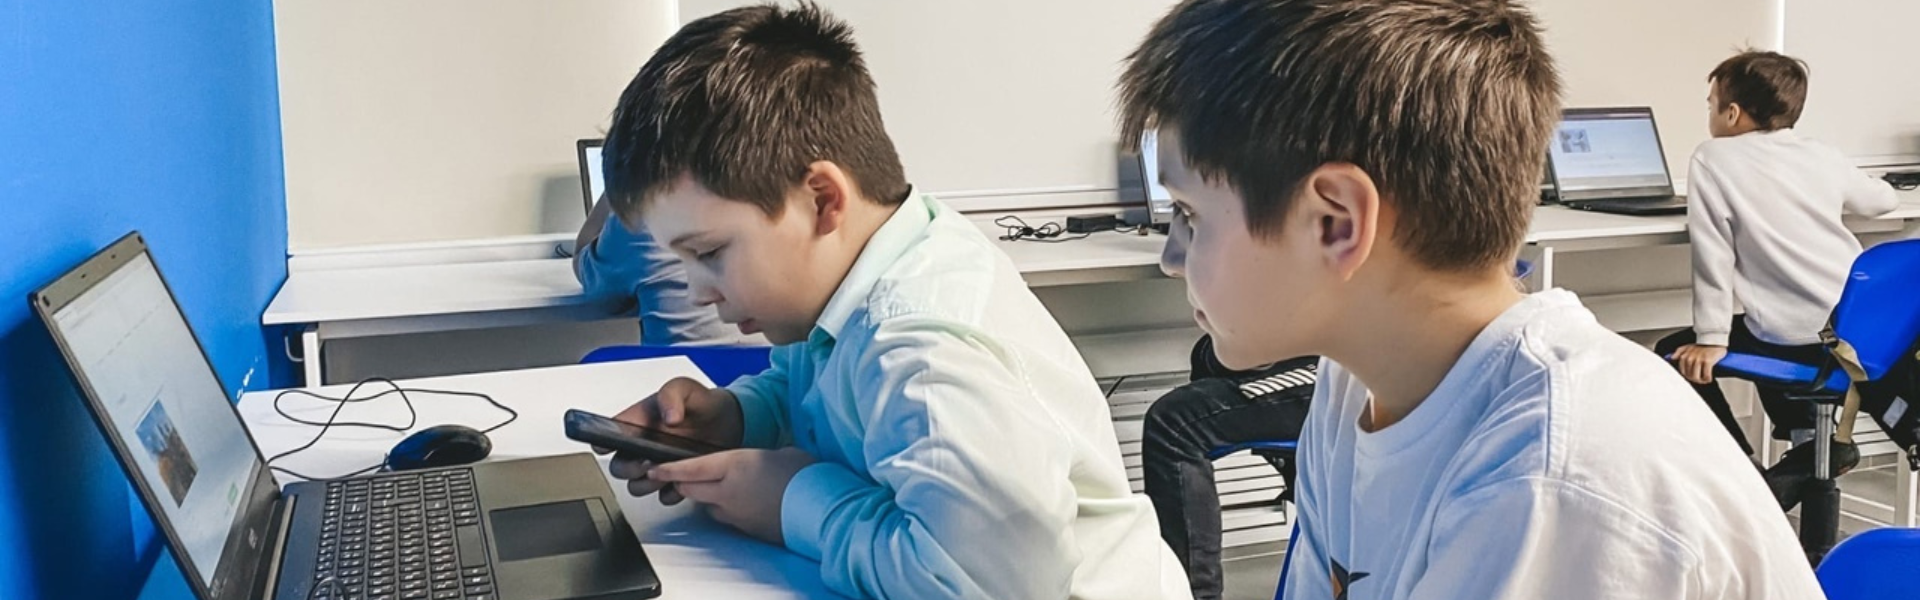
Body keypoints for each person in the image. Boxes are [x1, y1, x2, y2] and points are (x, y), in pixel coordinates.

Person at [1115, 1, 1822, 597]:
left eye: (1189, 216)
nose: (1172, 259)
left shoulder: (1557, 480)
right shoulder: (1352, 385)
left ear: (1336, 223)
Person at [592, 4, 1190, 598]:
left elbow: (991, 587)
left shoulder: (923, 353)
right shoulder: (862, 271)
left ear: (823, 201)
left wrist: (793, 502)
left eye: (710, 252)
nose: (699, 290)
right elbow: (822, 394)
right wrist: (741, 417)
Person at [1654, 50, 1901, 506]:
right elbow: (1881, 202)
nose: (1710, 114)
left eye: (1711, 105)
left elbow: (1713, 256)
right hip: (1855, 333)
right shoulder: (1819, 153)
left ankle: (1743, 468)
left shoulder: (1713, 158)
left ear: (1731, 113)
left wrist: (1711, 339)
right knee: (1765, 324)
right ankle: (1812, 448)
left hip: (1797, 337)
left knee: (1674, 351)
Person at [1141, 333, 1314, 600]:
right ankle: (1315, 497)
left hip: (1354, 369)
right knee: (1206, 355)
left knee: (1175, 425)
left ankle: (1195, 595)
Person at [575, 174, 766, 346]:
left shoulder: (640, 210)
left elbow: (601, 295)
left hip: (679, 367)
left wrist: (619, 184)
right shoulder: (764, 196)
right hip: (767, 364)